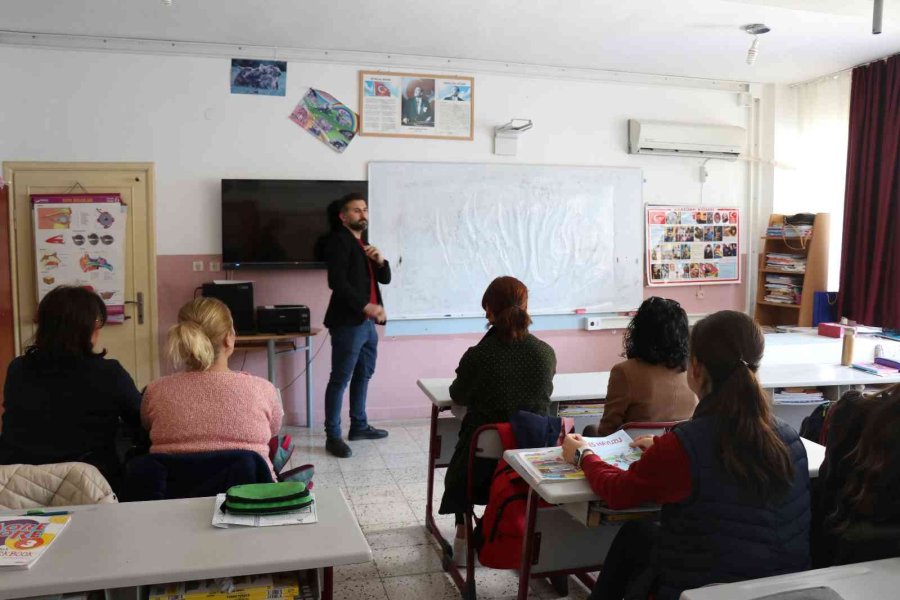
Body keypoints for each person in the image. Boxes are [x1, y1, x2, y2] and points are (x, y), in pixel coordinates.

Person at [563, 310, 810, 600]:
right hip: (787, 588)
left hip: (706, 590)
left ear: (696, 368)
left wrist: (583, 455)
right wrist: (665, 448)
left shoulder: (684, 447)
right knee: (640, 534)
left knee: (637, 535)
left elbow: (618, 492)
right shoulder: (789, 438)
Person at [439, 276, 557, 564]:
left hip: (480, 471)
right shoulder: (545, 353)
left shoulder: (479, 355)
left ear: (489, 311)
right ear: (525, 307)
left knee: (464, 453)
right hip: (530, 464)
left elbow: (457, 394)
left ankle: (463, 541)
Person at [0, 286, 141, 490]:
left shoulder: (18, 368)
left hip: (20, 484)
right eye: (97, 322)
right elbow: (140, 419)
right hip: (88, 485)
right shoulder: (109, 372)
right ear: (86, 328)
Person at [141, 297, 282, 479]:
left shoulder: (155, 391)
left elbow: (146, 426)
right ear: (229, 339)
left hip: (174, 494)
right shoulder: (263, 390)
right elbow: (274, 430)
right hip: (250, 492)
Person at [321, 193, 391, 458]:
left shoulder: (364, 244)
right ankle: (333, 436)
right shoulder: (339, 241)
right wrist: (365, 306)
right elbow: (337, 282)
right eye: (356, 210)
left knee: (364, 374)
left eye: (365, 209)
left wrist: (381, 261)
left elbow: (384, 279)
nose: (363, 214)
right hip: (348, 322)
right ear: (343, 216)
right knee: (340, 379)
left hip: (367, 324)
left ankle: (359, 426)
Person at [812, 384, 900, 567]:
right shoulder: (858, 413)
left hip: (845, 561)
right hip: (854, 561)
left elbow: (826, 498)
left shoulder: (854, 411)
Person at [583, 297, 697, 437]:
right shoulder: (693, 371)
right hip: (679, 448)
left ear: (639, 333)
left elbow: (607, 431)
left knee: (590, 430)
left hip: (635, 449)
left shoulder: (624, 372)